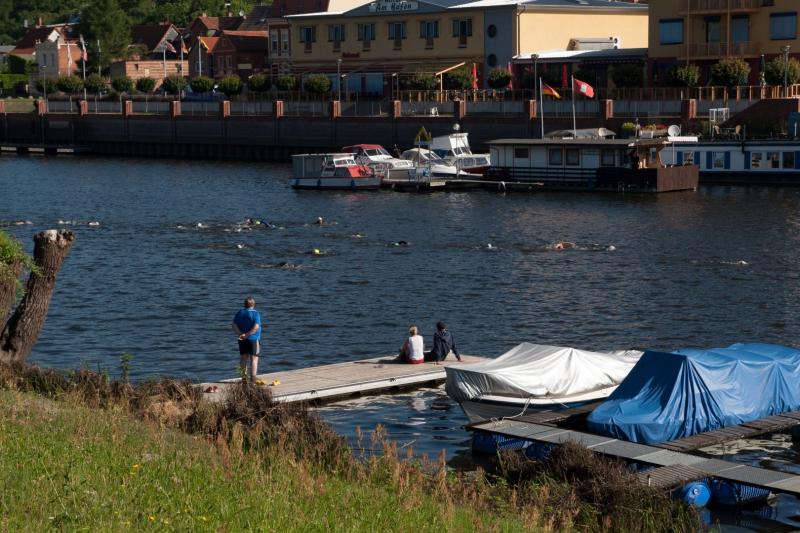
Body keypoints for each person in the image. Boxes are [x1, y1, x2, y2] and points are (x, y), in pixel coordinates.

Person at [232, 296, 262, 383]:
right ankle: (253, 379)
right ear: (253, 304)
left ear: (244, 304)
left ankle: (244, 378)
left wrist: (241, 334)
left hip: (242, 339)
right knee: (254, 359)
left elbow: (234, 326)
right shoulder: (255, 313)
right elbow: (256, 327)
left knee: (243, 358)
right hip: (253, 339)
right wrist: (247, 335)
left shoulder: (239, 312)